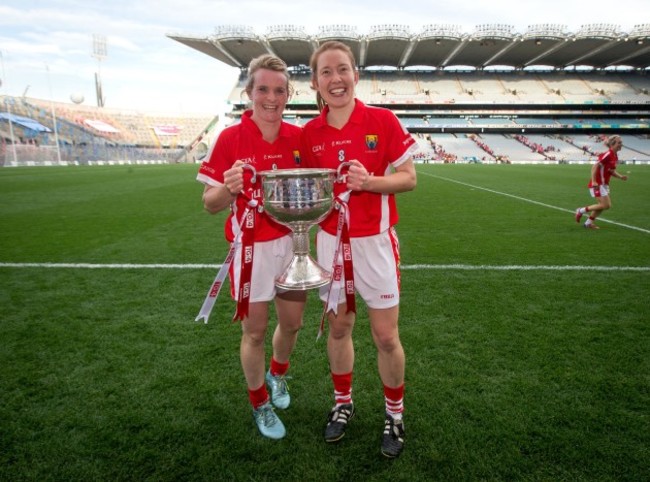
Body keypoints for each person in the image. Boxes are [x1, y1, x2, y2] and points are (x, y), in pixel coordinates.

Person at [300, 41, 418, 458]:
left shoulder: (382, 120)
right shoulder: (309, 134)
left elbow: (408, 178)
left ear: (356, 75)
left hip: (375, 243)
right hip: (331, 243)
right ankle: (343, 403)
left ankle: (395, 414)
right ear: (315, 82)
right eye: (326, 72)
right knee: (339, 328)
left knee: (386, 336)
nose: (336, 79)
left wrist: (368, 183)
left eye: (343, 69)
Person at [196, 54, 305, 440]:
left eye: (279, 90)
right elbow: (210, 204)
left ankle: (278, 376)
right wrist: (230, 187)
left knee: (292, 324)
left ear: (288, 95)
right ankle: (259, 401)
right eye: (263, 89)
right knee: (255, 332)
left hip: (292, 245)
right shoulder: (229, 138)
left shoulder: (299, 138)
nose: (271, 98)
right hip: (251, 250)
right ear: (249, 92)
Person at [575, 135, 628, 229]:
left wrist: (620, 177)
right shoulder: (608, 154)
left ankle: (588, 223)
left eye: (621, 142)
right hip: (598, 184)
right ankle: (581, 211)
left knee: (602, 206)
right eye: (619, 143)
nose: (621, 144)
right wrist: (594, 181)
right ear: (613, 144)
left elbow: (611, 171)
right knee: (606, 205)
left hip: (604, 184)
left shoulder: (615, 156)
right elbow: (594, 167)